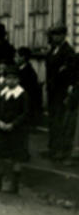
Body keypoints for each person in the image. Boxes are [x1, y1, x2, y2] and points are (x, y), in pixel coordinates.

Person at [0, 64, 30, 194]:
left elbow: (26, 113)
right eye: (8, 78)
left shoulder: (22, 95)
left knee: (16, 157)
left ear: (18, 80)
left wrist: (13, 124)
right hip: (2, 129)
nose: (11, 81)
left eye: (14, 78)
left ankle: (14, 185)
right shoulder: (2, 93)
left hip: (17, 131)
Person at [44, 24, 76, 162]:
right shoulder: (53, 50)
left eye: (58, 34)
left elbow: (69, 72)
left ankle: (60, 149)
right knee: (53, 120)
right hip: (52, 90)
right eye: (53, 34)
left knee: (61, 121)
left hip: (61, 91)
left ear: (64, 35)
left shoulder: (67, 51)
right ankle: (52, 147)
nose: (55, 37)